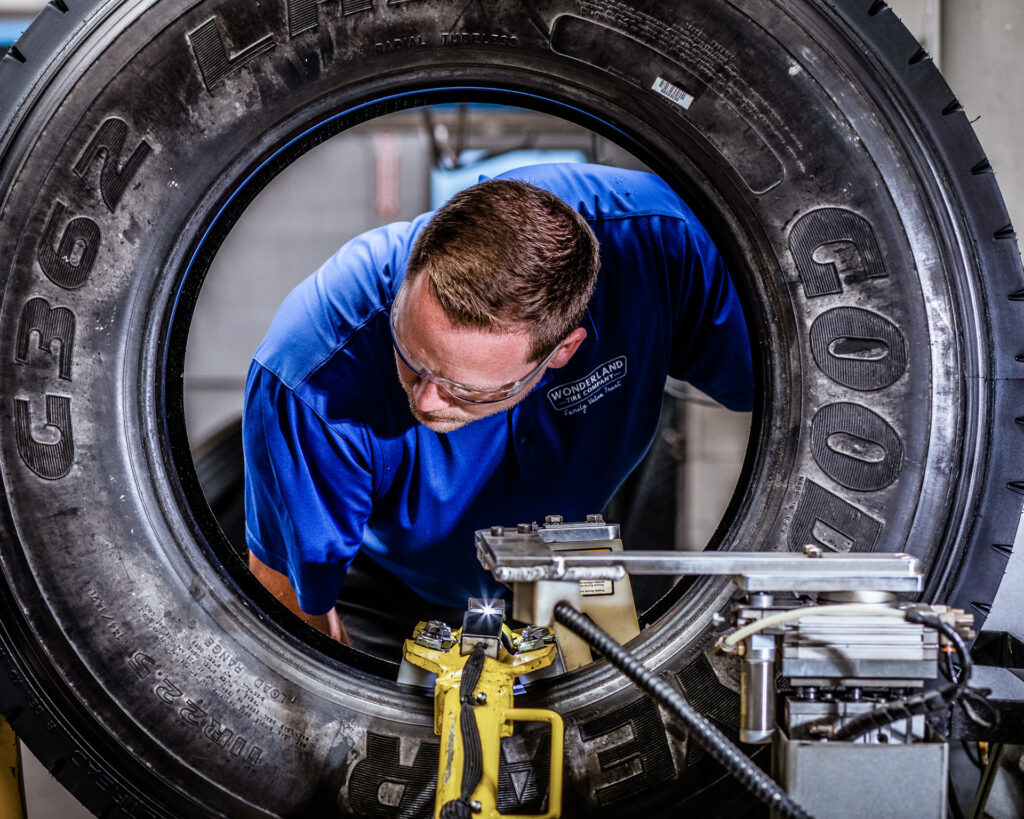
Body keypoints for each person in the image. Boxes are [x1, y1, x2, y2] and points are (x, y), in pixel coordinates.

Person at [243, 163, 753, 657]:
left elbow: (811, 399)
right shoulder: (311, 371)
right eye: (412, 359)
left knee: (603, 736)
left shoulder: (660, 248)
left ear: (563, 353)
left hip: (572, 560)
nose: (424, 401)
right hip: (393, 587)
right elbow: (286, 593)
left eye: (466, 391)